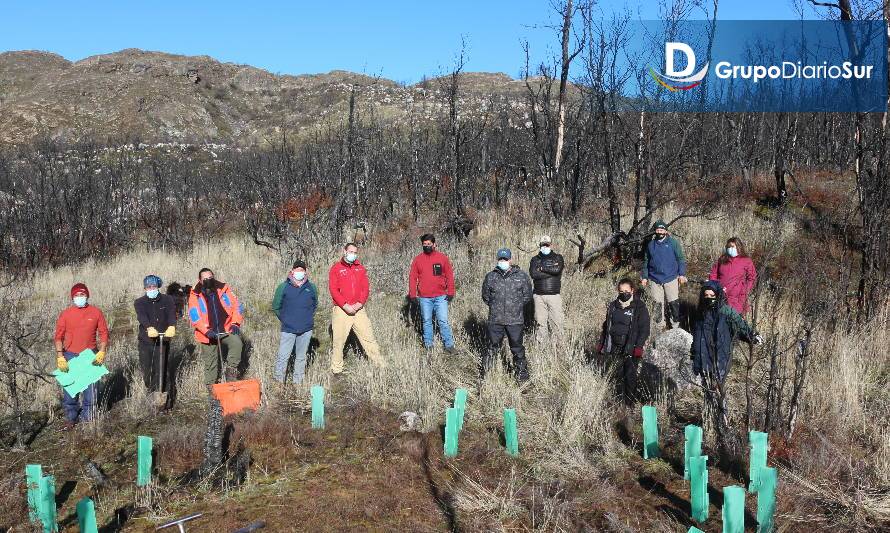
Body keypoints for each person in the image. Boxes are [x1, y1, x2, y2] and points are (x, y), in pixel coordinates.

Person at [54, 283, 109, 428]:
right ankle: (71, 418)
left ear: (87, 295)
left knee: (91, 392)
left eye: (82, 295)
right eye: (77, 295)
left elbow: (104, 333)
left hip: (90, 354)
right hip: (70, 354)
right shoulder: (66, 314)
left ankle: (88, 419)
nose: (80, 297)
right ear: (72, 297)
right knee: (70, 391)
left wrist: (102, 351)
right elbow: (58, 337)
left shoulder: (96, 312)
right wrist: (60, 356)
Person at [328, 243, 385, 376]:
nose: (352, 254)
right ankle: (337, 369)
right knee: (338, 341)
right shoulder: (336, 268)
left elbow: (365, 288)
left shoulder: (360, 268)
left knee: (369, 337)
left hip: (359, 310)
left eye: (355, 252)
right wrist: (345, 305)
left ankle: (380, 364)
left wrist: (360, 303)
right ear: (344, 251)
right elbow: (333, 290)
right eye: (350, 251)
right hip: (342, 310)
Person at [691, 280, 762, 385]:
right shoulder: (701, 313)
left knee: (718, 389)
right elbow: (696, 337)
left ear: (718, 295)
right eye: (706, 295)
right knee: (707, 389)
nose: (709, 298)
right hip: (703, 357)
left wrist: (753, 336)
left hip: (720, 358)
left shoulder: (727, 312)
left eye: (712, 295)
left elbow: (741, 326)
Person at [481, 248, 533, 383]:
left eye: (505, 259)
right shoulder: (490, 276)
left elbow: (527, 296)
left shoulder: (521, 276)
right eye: (500, 259)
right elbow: (486, 297)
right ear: (497, 260)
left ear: (510, 260)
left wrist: (515, 307)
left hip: (515, 320)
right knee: (492, 347)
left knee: (517, 349)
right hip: (495, 320)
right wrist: (496, 307)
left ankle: (522, 375)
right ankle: (487, 375)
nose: (503, 261)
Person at [596, 278, 650, 405]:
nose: (624, 293)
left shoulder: (639, 307)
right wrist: (602, 344)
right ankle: (619, 403)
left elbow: (645, 329)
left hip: (631, 347)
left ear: (632, 290)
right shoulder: (613, 306)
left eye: (626, 291)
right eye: (621, 291)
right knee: (618, 376)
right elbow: (607, 326)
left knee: (630, 377)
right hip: (615, 346)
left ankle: (629, 404)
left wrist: (639, 346)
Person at [187, 268, 244, 385]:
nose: (208, 280)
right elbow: (195, 317)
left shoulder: (223, 288)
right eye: (205, 279)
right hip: (207, 334)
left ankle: (230, 373)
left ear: (213, 276)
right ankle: (211, 390)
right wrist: (206, 331)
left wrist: (235, 323)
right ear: (200, 280)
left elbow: (237, 306)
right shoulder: (195, 295)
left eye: (210, 278)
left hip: (226, 329)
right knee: (210, 364)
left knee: (237, 343)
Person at [408, 233, 457, 353]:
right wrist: (412, 294)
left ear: (434, 244)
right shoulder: (417, 260)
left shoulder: (442, 258)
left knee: (443, 321)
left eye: (429, 244)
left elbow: (449, 276)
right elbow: (412, 277)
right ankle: (428, 345)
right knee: (426, 321)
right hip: (425, 298)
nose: (427, 246)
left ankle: (449, 345)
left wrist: (450, 292)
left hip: (441, 297)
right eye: (424, 244)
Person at [271, 260, 318, 385]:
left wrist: (306, 318)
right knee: (283, 356)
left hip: (306, 329)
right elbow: (276, 306)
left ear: (305, 271)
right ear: (292, 271)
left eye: (302, 270)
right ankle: (279, 382)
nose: (299, 272)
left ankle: (298, 381)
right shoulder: (283, 287)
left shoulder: (311, 287)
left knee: (301, 357)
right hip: (288, 328)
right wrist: (286, 319)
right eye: (297, 269)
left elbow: (314, 305)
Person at [134, 275, 177, 394]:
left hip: (163, 340)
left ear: (158, 287)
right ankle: (152, 391)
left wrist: (172, 325)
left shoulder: (167, 299)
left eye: (153, 286)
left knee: (162, 368)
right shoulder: (139, 302)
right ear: (145, 288)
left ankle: (165, 394)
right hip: (146, 341)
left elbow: (171, 314)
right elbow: (141, 316)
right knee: (147, 370)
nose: (151, 289)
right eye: (148, 287)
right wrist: (148, 327)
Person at [640, 220, 687, 329]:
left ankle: (675, 325)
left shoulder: (673, 243)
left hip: (671, 278)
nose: (660, 231)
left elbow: (680, 259)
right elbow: (646, 262)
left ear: (666, 231)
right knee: (657, 304)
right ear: (655, 231)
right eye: (658, 229)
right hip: (654, 279)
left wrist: (681, 274)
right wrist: (645, 277)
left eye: (662, 229)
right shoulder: (650, 245)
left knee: (673, 303)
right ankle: (659, 326)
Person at [529, 235, 566, 345]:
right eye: (543, 244)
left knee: (557, 322)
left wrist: (542, 268)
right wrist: (551, 273)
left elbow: (557, 270)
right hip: (538, 296)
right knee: (541, 323)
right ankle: (542, 347)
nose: (545, 246)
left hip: (554, 296)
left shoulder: (558, 257)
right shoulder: (535, 259)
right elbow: (533, 274)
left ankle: (559, 347)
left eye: (547, 244)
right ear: (540, 245)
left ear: (551, 245)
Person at [708, 237, 757, 315]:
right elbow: (713, 274)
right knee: (718, 318)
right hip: (720, 295)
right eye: (728, 247)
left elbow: (752, 278)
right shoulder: (722, 259)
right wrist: (714, 287)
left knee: (734, 321)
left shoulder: (746, 260)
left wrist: (744, 290)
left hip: (737, 298)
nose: (730, 249)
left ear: (738, 246)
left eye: (732, 246)